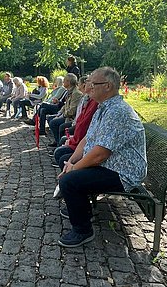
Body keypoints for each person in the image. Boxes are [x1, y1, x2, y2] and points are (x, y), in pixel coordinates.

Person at [57, 67, 147, 248]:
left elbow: (100, 154)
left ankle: (83, 231)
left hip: (122, 172)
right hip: (109, 165)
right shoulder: (104, 107)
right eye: (88, 83)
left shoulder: (117, 112)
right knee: (65, 159)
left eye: (92, 84)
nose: (88, 87)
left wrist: (73, 169)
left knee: (69, 180)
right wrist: (72, 161)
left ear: (107, 86)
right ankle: (81, 207)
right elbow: (87, 139)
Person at [53, 78, 98, 169]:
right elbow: (80, 120)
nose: (82, 85)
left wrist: (72, 141)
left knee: (61, 153)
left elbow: (83, 125)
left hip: (72, 122)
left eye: (91, 83)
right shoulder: (87, 99)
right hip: (77, 129)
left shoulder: (92, 101)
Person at [47, 73, 83, 146]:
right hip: (66, 115)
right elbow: (65, 105)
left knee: (54, 123)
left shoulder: (76, 93)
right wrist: (59, 113)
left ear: (69, 82)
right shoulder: (69, 91)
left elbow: (72, 111)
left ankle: (58, 144)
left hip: (71, 118)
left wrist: (62, 115)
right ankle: (57, 140)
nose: (63, 82)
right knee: (50, 118)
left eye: (64, 81)